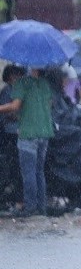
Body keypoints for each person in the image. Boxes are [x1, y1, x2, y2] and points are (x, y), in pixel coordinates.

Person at [0, 67, 56, 217]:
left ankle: (30, 208)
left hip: (29, 133)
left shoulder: (22, 83)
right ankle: (41, 207)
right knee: (39, 172)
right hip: (44, 132)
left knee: (28, 173)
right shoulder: (45, 84)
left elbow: (14, 106)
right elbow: (48, 105)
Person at [0, 65, 25, 210]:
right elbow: (7, 113)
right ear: (10, 77)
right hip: (9, 134)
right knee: (16, 168)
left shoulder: (18, 91)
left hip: (18, 132)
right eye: (16, 75)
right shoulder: (7, 91)